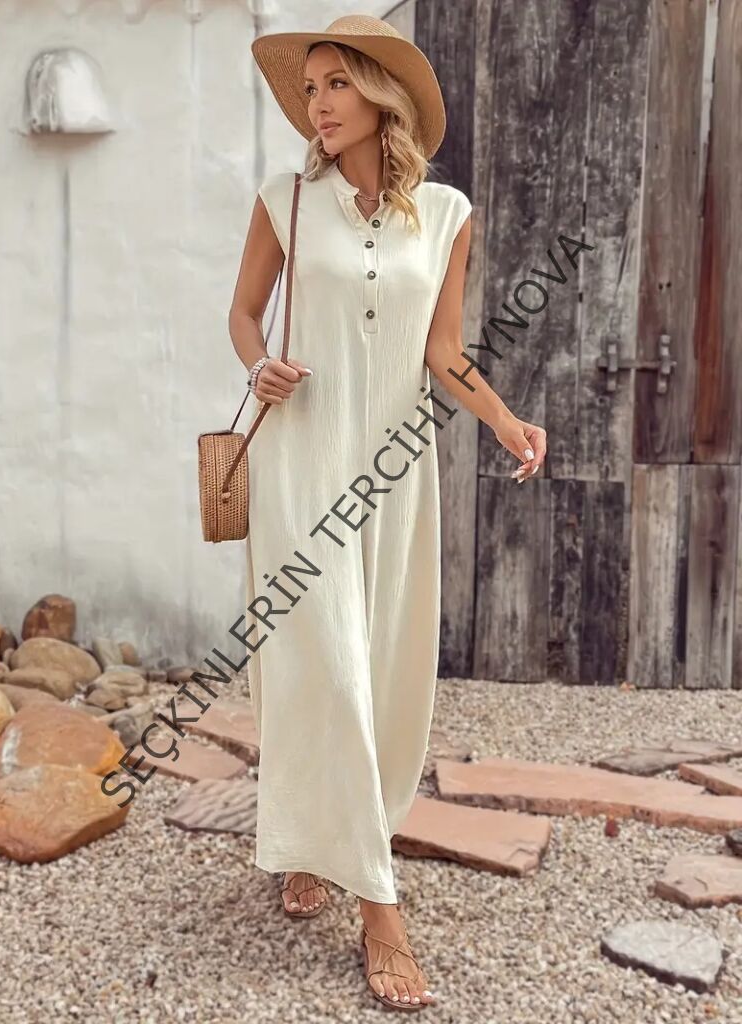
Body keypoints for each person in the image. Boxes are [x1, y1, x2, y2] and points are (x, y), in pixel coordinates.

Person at [228, 13, 547, 1012]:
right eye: (309, 87)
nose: (317, 104)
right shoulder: (284, 200)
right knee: (322, 663)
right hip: (300, 461)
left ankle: (311, 842)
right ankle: (379, 907)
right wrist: (258, 364)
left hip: (394, 473)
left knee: (374, 670)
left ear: (382, 96)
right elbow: (243, 313)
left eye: (336, 84)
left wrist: (506, 420)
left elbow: (442, 352)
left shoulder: (445, 215)